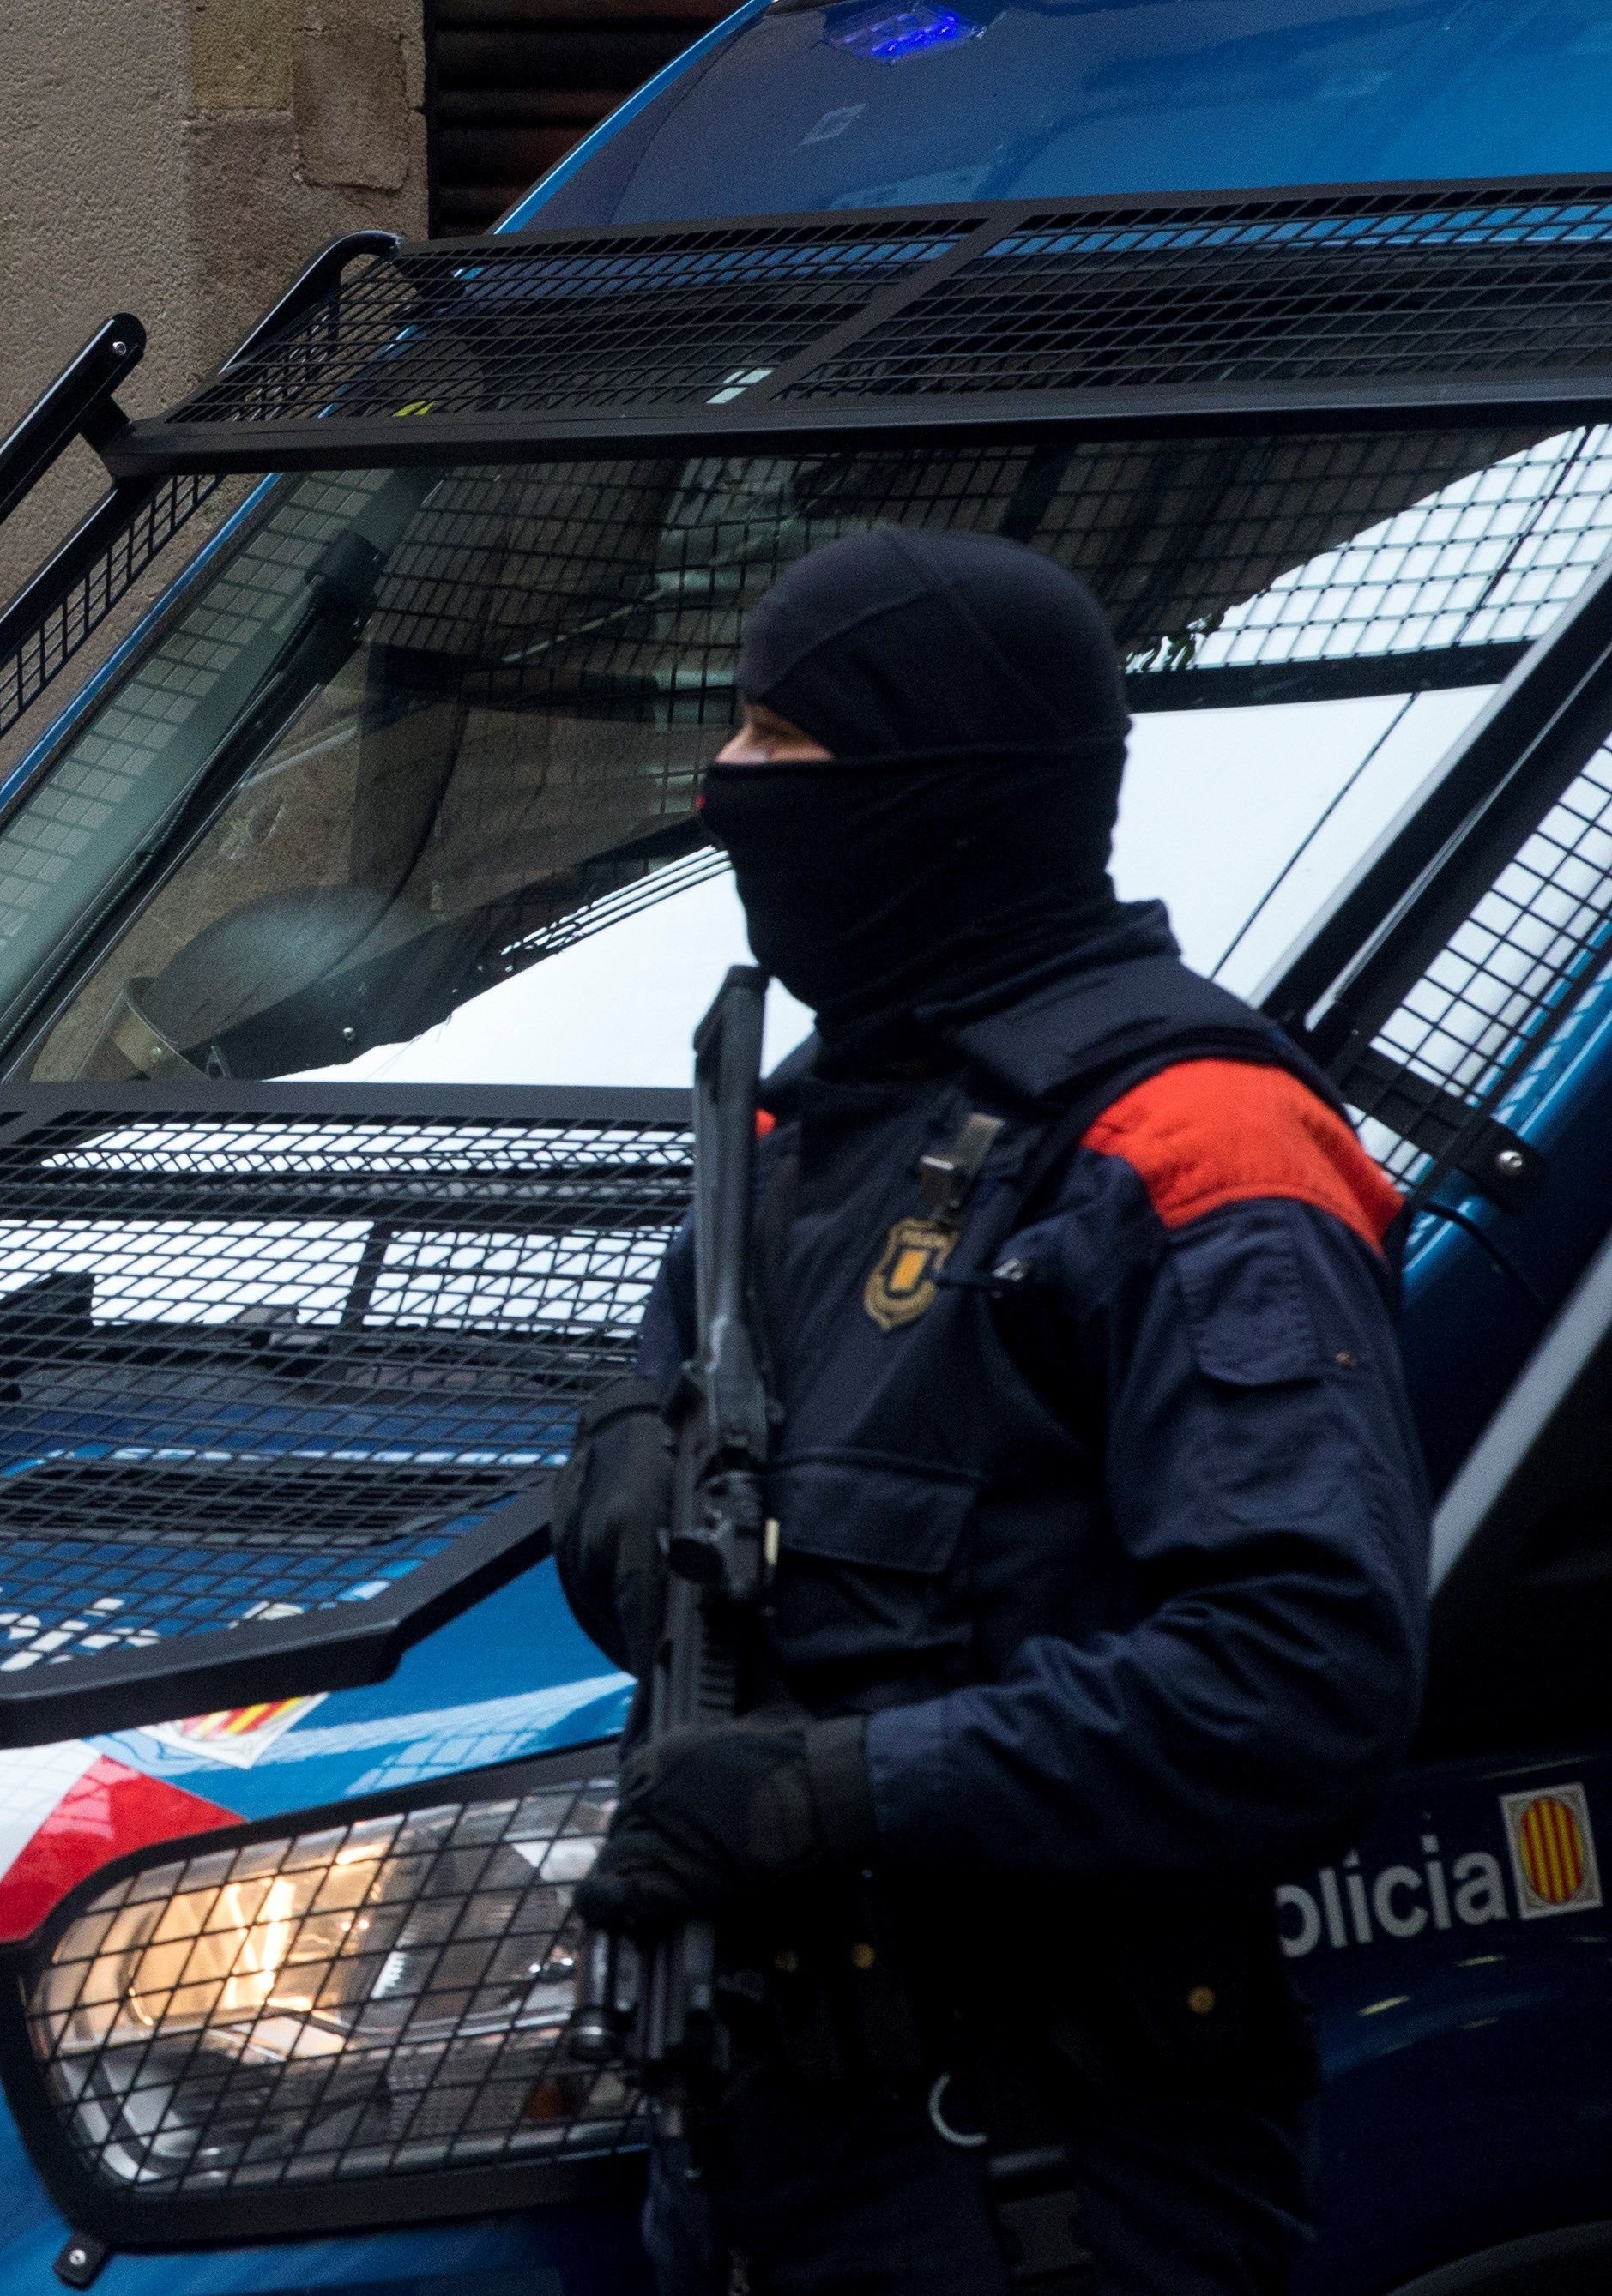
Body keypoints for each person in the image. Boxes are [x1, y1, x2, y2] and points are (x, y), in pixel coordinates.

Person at [552, 531, 1430, 2295]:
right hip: (759, 2158)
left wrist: (840, 1794)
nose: (728, 788)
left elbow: (1300, 1675)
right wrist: (614, 1498)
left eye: (781, 743)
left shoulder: (1190, 1142)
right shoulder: (800, 1138)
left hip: (1044, 2169)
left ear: (943, 784)